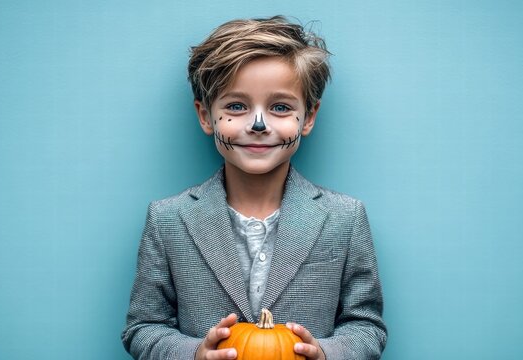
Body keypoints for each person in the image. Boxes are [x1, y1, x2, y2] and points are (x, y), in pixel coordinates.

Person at [122, 15, 387, 359]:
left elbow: (366, 325)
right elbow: (143, 328)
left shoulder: (345, 217)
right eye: (236, 106)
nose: (258, 124)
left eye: (280, 107)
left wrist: (326, 353)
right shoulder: (167, 218)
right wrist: (193, 354)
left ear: (307, 117)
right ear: (205, 116)